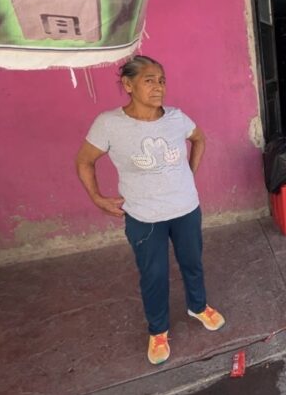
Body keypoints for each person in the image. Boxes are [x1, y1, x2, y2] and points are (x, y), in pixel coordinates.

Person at [76, 55, 226, 365]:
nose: (158, 87)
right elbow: (84, 161)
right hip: (144, 217)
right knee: (153, 274)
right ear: (128, 84)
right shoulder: (109, 124)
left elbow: (199, 139)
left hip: (186, 209)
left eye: (161, 80)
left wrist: (189, 174)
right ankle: (158, 330)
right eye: (149, 80)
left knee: (192, 263)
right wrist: (97, 198)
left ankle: (198, 306)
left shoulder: (176, 118)